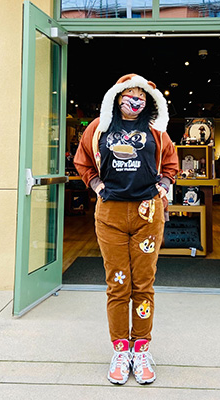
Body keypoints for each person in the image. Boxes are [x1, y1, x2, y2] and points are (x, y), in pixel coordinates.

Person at [73, 74, 179, 386]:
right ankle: (121, 349)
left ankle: (141, 348)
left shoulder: (157, 131)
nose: (134, 101)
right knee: (118, 284)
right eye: (128, 95)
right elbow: (82, 161)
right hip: (111, 214)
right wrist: (95, 184)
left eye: (140, 96)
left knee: (143, 284)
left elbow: (171, 163)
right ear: (117, 97)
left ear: (149, 101)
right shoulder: (99, 127)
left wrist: (164, 184)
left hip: (148, 213)